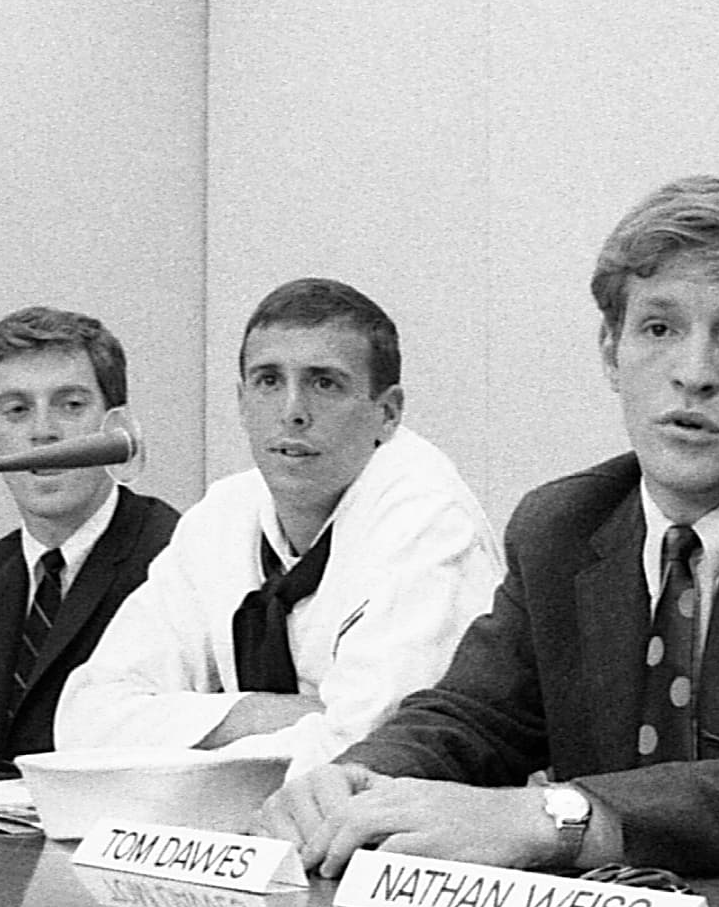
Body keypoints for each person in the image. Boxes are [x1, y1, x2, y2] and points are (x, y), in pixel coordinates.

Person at [269, 176, 719, 878]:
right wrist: (355, 783)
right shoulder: (563, 527)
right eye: (659, 329)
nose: (694, 374)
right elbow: (469, 721)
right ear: (611, 352)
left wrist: (556, 818)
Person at [56, 278, 498, 775]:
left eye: (324, 382)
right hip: (249, 834)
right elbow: (84, 722)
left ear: (389, 413)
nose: (292, 412)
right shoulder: (222, 516)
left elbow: (367, 753)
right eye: (269, 381)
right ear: (242, 403)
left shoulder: (428, 520)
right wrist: (272, 714)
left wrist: (184, 736)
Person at [0, 306, 177, 772]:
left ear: (116, 426)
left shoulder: (177, 560)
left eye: (71, 405)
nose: (44, 432)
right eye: (17, 411)